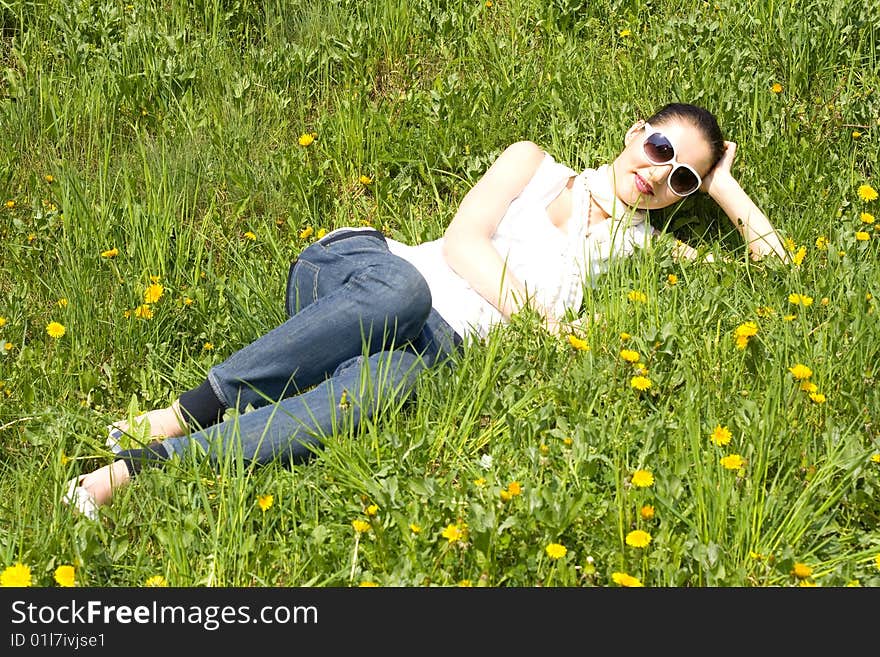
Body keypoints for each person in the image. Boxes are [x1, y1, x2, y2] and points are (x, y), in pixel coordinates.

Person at [63, 102, 788, 518]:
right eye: (660, 147)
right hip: (362, 280)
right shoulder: (533, 162)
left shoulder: (639, 247)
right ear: (635, 131)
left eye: (680, 175)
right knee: (405, 295)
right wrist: (545, 321)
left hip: (433, 343)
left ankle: (143, 467)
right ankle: (195, 404)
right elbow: (465, 243)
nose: (659, 172)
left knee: (385, 388)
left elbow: (772, 270)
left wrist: (725, 186)